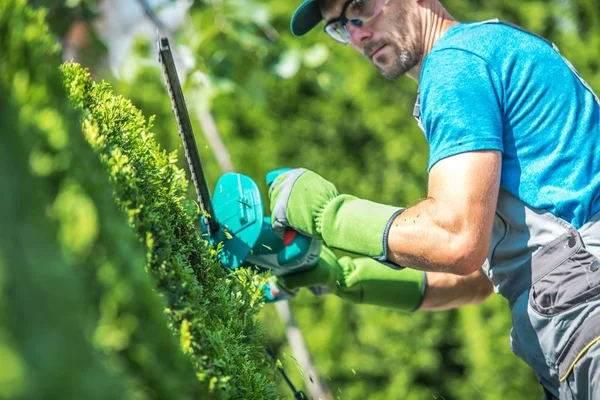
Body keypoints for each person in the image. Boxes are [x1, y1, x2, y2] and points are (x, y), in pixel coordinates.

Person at [267, 0, 600, 398]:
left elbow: (455, 239)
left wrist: (327, 215)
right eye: (339, 27)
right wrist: (345, 276)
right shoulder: (488, 49)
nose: (357, 34)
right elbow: (478, 277)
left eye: (360, 7)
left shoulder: (454, 64)